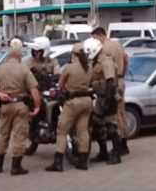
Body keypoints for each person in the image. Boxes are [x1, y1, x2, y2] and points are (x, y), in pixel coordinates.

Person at [0, 47, 41, 175]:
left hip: (5, 105)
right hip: (20, 105)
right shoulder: (24, 69)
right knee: (19, 136)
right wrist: (37, 107)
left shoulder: (0, 69)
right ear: (20, 56)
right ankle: (16, 167)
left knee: (4, 135)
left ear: (9, 56)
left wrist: (0, 94)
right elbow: (34, 90)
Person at [46, 43, 92, 172]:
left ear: (73, 54)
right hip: (87, 101)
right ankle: (83, 162)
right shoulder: (89, 67)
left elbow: (61, 84)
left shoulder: (69, 67)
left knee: (62, 130)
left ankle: (58, 162)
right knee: (83, 131)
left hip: (73, 102)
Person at [92, 27, 130, 156]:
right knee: (121, 112)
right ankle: (124, 142)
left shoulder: (104, 48)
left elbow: (106, 68)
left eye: (95, 38)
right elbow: (126, 60)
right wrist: (122, 74)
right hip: (120, 79)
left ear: (100, 35)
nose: (94, 41)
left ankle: (118, 145)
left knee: (114, 116)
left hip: (111, 82)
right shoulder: (117, 44)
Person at [84, 37, 121, 165]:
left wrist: (108, 101)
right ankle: (103, 152)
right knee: (96, 124)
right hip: (100, 98)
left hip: (109, 97)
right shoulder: (95, 62)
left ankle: (116, 154)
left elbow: (110, 83)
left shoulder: (106, 61)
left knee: (111, 127)